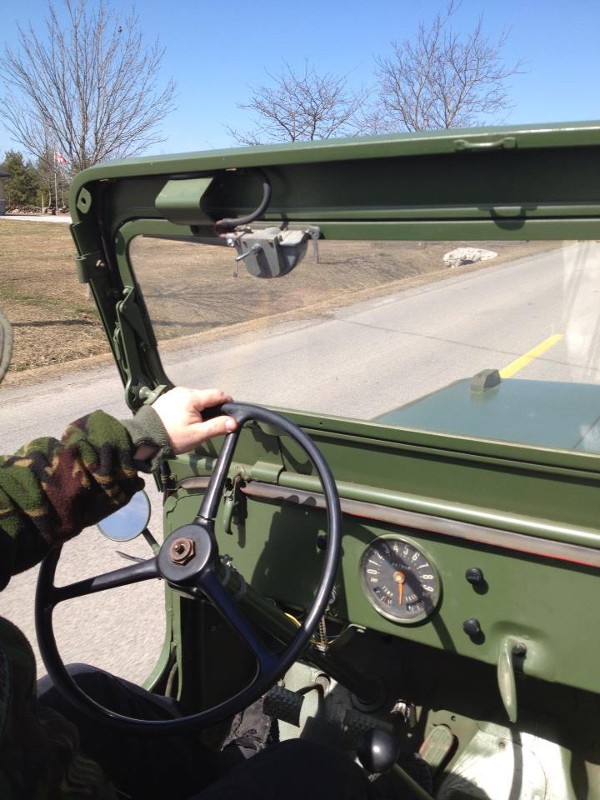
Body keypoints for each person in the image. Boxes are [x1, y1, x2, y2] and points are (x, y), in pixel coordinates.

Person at [0, 380, 382, 799]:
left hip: (31, 747)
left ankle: (225, 766)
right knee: (314, 770)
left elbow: (12, 506)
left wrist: (142, 435)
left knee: (84, 688)